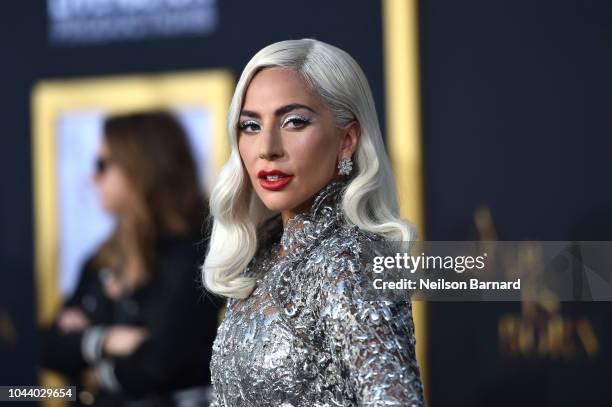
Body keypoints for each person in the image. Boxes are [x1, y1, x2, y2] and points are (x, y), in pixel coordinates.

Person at [202, 39, 425, 406]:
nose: (267, 148)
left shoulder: (350, 261)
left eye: (294, 122)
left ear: (347, 139)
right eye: (251, 125)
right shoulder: (265, 253)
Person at [39, 110, 222, 406]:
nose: (92, 176)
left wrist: (92, 362)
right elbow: (49, 347)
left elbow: (157, 366)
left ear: (142, 167)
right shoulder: (103, 256)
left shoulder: (198, 251)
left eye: (102, 164)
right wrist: (106, 340)